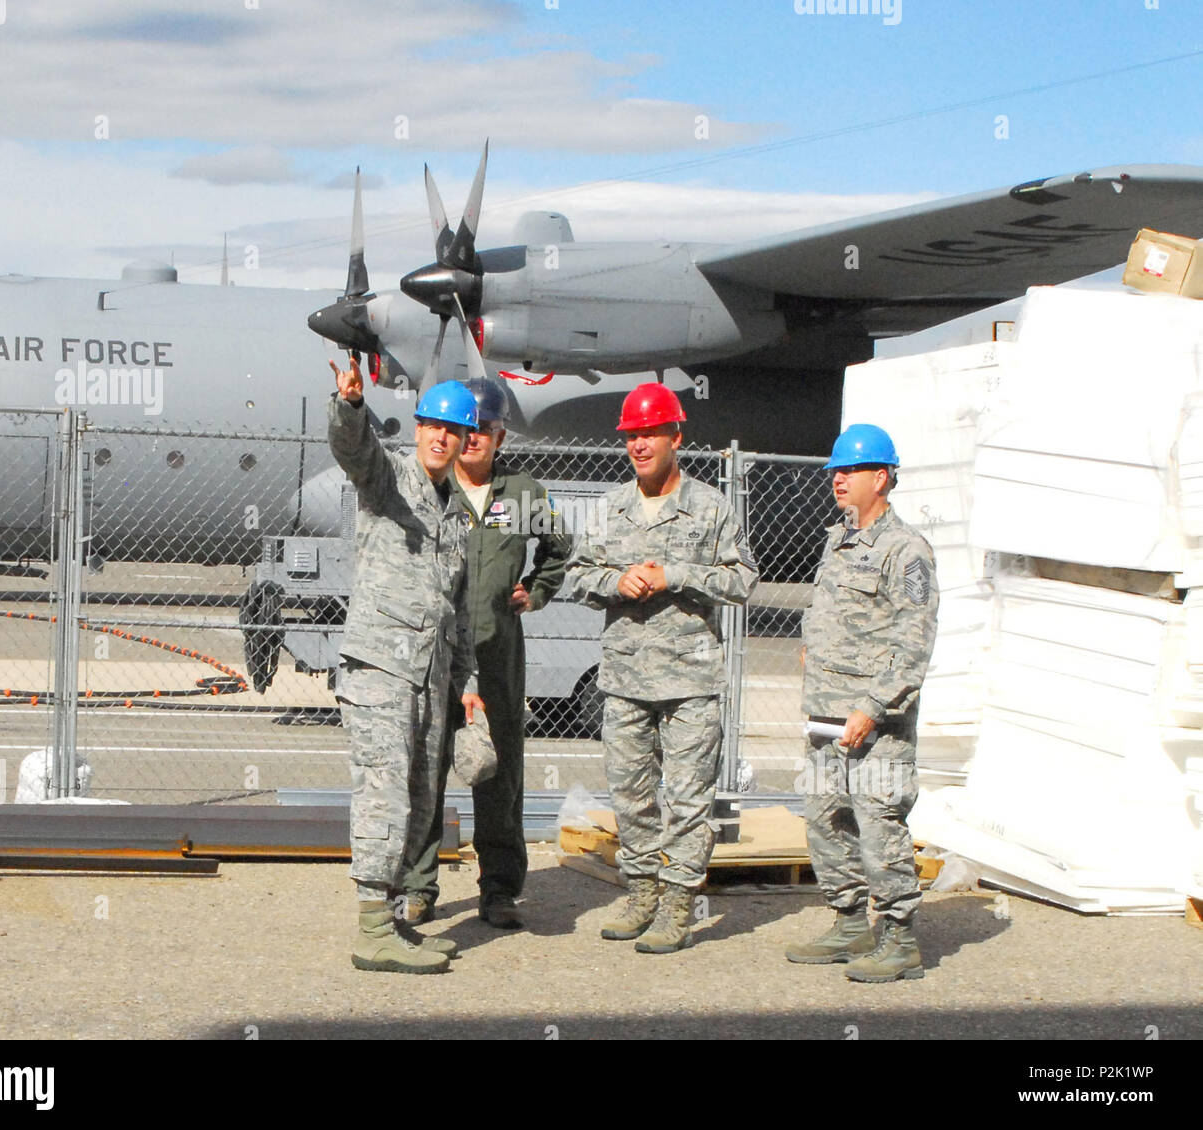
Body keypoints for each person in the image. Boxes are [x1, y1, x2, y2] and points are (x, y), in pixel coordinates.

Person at [566, 382, 757, 953]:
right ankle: (643, 892)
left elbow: (743, 580)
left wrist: (678, 574)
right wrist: (612, 581)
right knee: (631, 793)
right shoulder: (610, 508)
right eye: (631, 435)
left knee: (689, 799)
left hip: (691, 681)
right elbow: (575, 575)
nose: (639, 444)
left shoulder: (711, 508)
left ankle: (678, 904)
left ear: (676, 436)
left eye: (650, 433)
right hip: (625, 679)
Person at [327, 355, 484, 975]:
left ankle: (391, 920)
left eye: (454, 430)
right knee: (385, 797)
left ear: (469, 440)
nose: (442, 437)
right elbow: (353, 448)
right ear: (417, 427)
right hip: (380, 670)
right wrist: (351, 406)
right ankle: (371, 930)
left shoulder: (458, 517)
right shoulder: (387, 480)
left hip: (429, 677)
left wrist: (465, 685)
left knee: (419, 802)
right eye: (432, 425)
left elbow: (460, 612)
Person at [401, 378, 573, 930]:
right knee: (425, 770)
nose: (472, 438)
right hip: (434, 651)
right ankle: (418, 885)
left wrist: (538, 589)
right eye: (465, 428)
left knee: (499, 774)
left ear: (500, 437)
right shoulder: (429, 486)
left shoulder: (521, 494)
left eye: (484, 430)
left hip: (496, 652)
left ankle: (499, 889)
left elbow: (559, 548)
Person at [786, 423, 939, 983]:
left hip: (875, 722)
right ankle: (849, 923)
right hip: (826, 711)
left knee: (879, 824)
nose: (839, 480)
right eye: (835, 471)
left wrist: (873, 706)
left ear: (883, 476)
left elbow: (913, 641)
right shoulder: (839, 539)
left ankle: (899, 940)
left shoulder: (907, 550)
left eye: (851, 470)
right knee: (825, 820)